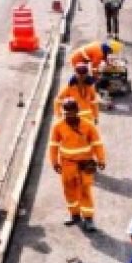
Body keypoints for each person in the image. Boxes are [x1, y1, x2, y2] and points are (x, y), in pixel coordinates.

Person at [49, 98, 106, 232]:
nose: (68, 115)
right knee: (69, 190)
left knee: (85, 191)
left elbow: (97, 144)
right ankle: (74, 215)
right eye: (65, 113)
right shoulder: (58, 127)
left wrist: (101, 159)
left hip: (85, 165)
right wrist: (54, 162)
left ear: (77, 111)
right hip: (67, 165)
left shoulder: (88, 126)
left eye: (71, 112)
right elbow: (53, 146)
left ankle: (88, 219)